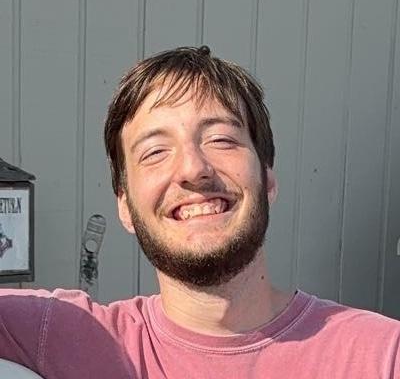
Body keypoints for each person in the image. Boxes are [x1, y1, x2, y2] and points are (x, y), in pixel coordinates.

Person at [0, 46, 399, 378]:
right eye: (155, 151)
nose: (193, 168)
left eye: (221, 139)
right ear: (124, 205)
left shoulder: (382, 356)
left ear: (268, 180)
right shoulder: (61, 334)